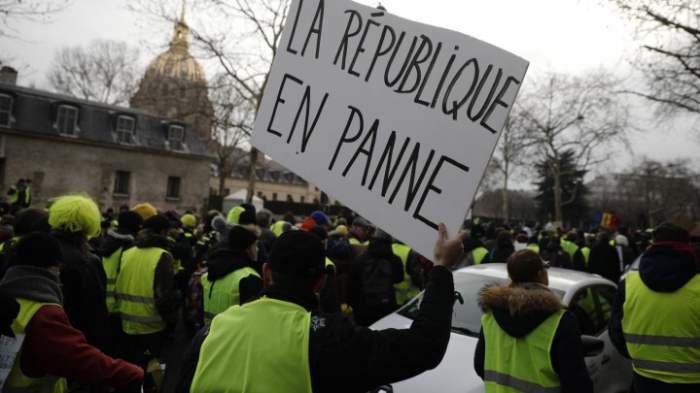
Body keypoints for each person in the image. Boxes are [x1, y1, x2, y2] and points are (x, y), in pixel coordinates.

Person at [176, 223, 466, 393]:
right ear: (320, 282)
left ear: (266, 273)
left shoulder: (210, 332)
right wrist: (441, 268)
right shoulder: (327, 337)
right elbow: (423, 346)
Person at [0, 232, 144, 392]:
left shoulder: (7, 295)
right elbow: (78, 359)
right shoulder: (44, 311)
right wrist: (132, 373)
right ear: (53, 265)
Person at [474, 249, 593, 392]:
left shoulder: (491, 315)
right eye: (545, 267)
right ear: (540, 274)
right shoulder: (561, 321)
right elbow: (576, 384)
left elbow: (480, 365)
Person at [608, 222, 700, 392]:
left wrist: (640, 356)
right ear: (687, 246)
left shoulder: (628, 285)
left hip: (645, 380)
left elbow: (615, 331)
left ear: (652, 244)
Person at [115, 214, 178, 377]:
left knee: (129, 371)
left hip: (126, 323)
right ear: (163, 232)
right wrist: (171, 320)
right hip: (152, 326)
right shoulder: (163, 255)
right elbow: (164, 296)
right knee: (152, 370)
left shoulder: (127, 252)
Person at [49, 194, 110, 354]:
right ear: (89, 224)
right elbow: (94, 312)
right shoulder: (87, 260)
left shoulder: (36, 248)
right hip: (71, 343)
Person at [98, 210, 143, 358]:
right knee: (120, 353)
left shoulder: (106, 242)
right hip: (119, 306)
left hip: (102, 302)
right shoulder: (129, 247)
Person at [201, 226, 263, 325]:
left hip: (209, 334)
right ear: (248, 249)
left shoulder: (207, 274)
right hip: (236, 336)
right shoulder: (249, 277)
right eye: (255, 246)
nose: (258, 249)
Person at [346, 229, 405, 326]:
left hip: (363, 309)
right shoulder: (395, 259)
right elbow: (399, 279)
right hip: (387, 308)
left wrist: (354, 307)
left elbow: (351, 286)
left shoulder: (360, 260)